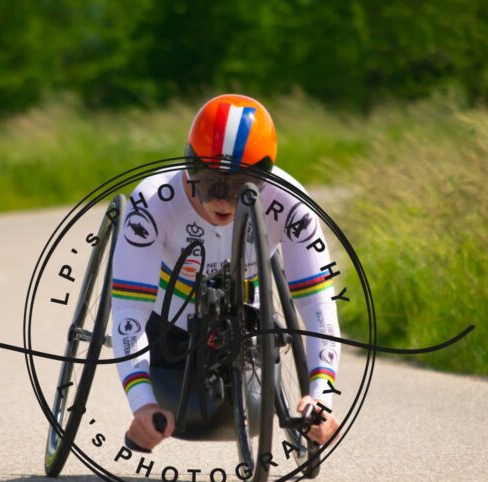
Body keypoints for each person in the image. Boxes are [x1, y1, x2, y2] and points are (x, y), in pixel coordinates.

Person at [111, 93, 341, 451]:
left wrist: (322, 396)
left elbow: (317, 305)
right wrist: (142, 404)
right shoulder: (153, 202)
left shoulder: (291, 205)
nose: (222, 199)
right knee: (186, 408)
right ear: (190, 167)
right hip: (168, 325)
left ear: (264, 178)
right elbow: (129, 310)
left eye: (240, 187)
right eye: (210, 183)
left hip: (246, 319)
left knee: (248, 404)